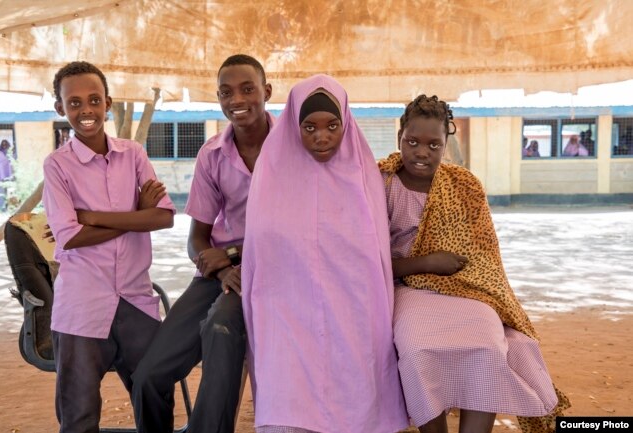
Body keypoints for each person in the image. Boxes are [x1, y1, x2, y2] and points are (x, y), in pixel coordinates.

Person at [378, 94, 570, 433]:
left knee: (487, 344)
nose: (422, 152)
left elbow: (483, 258)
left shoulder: (465, 186)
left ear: (445, 145)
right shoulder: (380, 183)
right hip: (404, 288)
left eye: (433, 145)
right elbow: (369, 262)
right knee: (416, 347)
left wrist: (446, 270)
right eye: (413, 142)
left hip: (465, 290)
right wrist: (427, 263)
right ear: (399, 138)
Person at [241, 74, 408, 433]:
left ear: (346, 123)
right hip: (285, 302)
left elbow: (373, 250)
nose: (321, 136)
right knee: (288, 400)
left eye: (333, 125)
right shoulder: (272, 174)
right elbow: (262, 248)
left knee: (357, 383)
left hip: (353, 301)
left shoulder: (363, 174)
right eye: (309, 127)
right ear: (293, 127)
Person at [131, 54, 273, 433]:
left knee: (221, 328)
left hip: (271, 270)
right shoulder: (212, 155)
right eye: (226, 92)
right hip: (217, 274)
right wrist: (223, 266)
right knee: (149, 376)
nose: (236, 99)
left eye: (247, 89)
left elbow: (294, 232)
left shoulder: (292, 150)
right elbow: (197, 239)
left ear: (267, 92)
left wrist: (230, 254)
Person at [42, 60, 176, 433]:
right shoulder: (56, 166)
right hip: (82, 304)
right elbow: (69, 236)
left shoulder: (132, 154)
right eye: (74, 103)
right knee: (79, 411)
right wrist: (136, 214)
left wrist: (93, 217)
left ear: (108, 103)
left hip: (136, 299)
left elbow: (164, 217)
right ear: (60, 108)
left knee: (155, 397)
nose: (86, 110)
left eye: (94, 100)